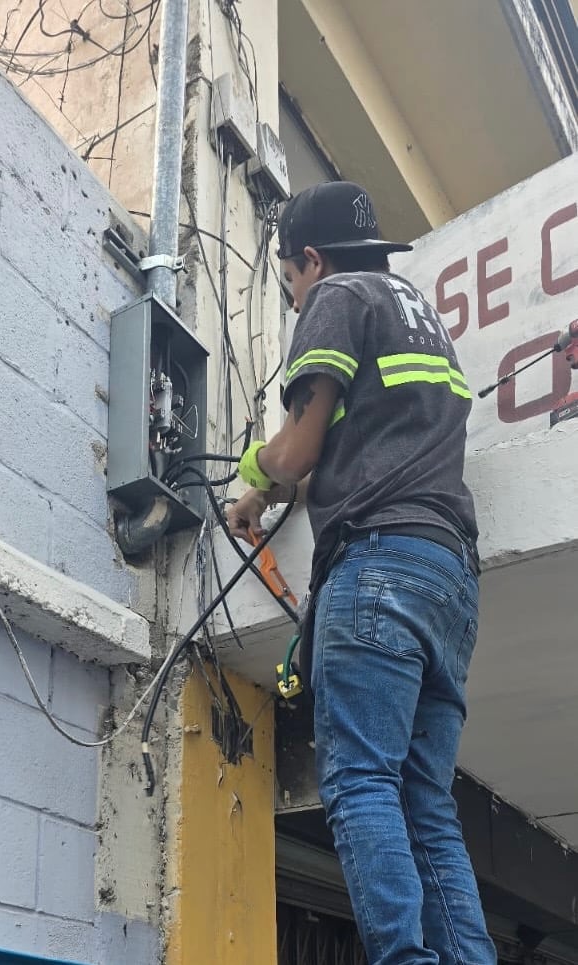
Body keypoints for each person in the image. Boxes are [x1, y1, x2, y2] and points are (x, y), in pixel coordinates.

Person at [226, 181, 496, 965]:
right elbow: (360, 437)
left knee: (361, 784)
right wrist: (264, 494)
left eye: (288, 280)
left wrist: (253, 467)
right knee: (426, 805)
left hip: (377, 566)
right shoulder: (416, 314)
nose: (294, 294)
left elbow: (297, 451)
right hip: (449, 578)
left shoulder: (336, 297)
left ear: (310, 259)